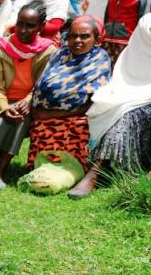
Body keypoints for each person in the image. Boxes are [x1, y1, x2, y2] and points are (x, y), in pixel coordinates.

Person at [72, 12, 151, 197]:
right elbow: (126, 81)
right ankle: (98, 170)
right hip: (133, 90)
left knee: (128, 112)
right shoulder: (137, 49)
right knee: (121, 110)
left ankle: (99, 171)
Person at [0, 2, 57, 190]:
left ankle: (0, 170)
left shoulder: (48, 50)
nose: (23, 30)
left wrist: (27, 101)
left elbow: (42, 85)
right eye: (20, 23)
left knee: (20, 119)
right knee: (0, 120)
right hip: (1, 99)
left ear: (41, 26)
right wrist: (5, 108)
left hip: (31, 102)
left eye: (30, 25)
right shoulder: (0, 47)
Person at [26, 16, 111, 168]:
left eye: (84, 36)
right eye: (73, 36)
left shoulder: (99, 59)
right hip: (43, 113)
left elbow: (95, 101)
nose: (78, 40)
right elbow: (42, 84)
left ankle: (73, 168)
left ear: (96, 39)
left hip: (78, 116)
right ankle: (43, 165)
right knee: (42, 125)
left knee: (74, 126)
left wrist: (53, 114)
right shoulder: (60, 54)